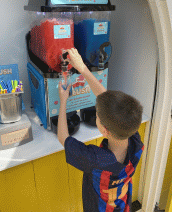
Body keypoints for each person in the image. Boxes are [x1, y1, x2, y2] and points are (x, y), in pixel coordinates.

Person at [57, 48, 144, 212]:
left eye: (97, 115)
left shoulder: (94, 160)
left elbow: (63, 138)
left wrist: (63, 101)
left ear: (104, 131)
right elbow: (109, 103)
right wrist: (82, 68)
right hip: (123, 206)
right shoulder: (134, 139)